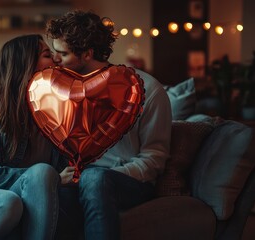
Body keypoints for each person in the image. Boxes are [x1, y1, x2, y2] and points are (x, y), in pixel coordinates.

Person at [45, 10, 172, 239]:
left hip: (127, 181)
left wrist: (96, 177)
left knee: (95, 179)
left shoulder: (148, 90)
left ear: (87, 54)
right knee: (50, 193)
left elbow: (154, 159)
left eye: (62, 53)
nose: (55, 59)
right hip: (80, 178)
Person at [0, 34, 75, 240]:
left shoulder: (61, 109)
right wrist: (53, 178)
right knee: (25, 187)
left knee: (41, 175)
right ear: (26, 64)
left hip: (42, 199)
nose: (56, 60)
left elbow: (73, 168)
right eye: (48, 54)